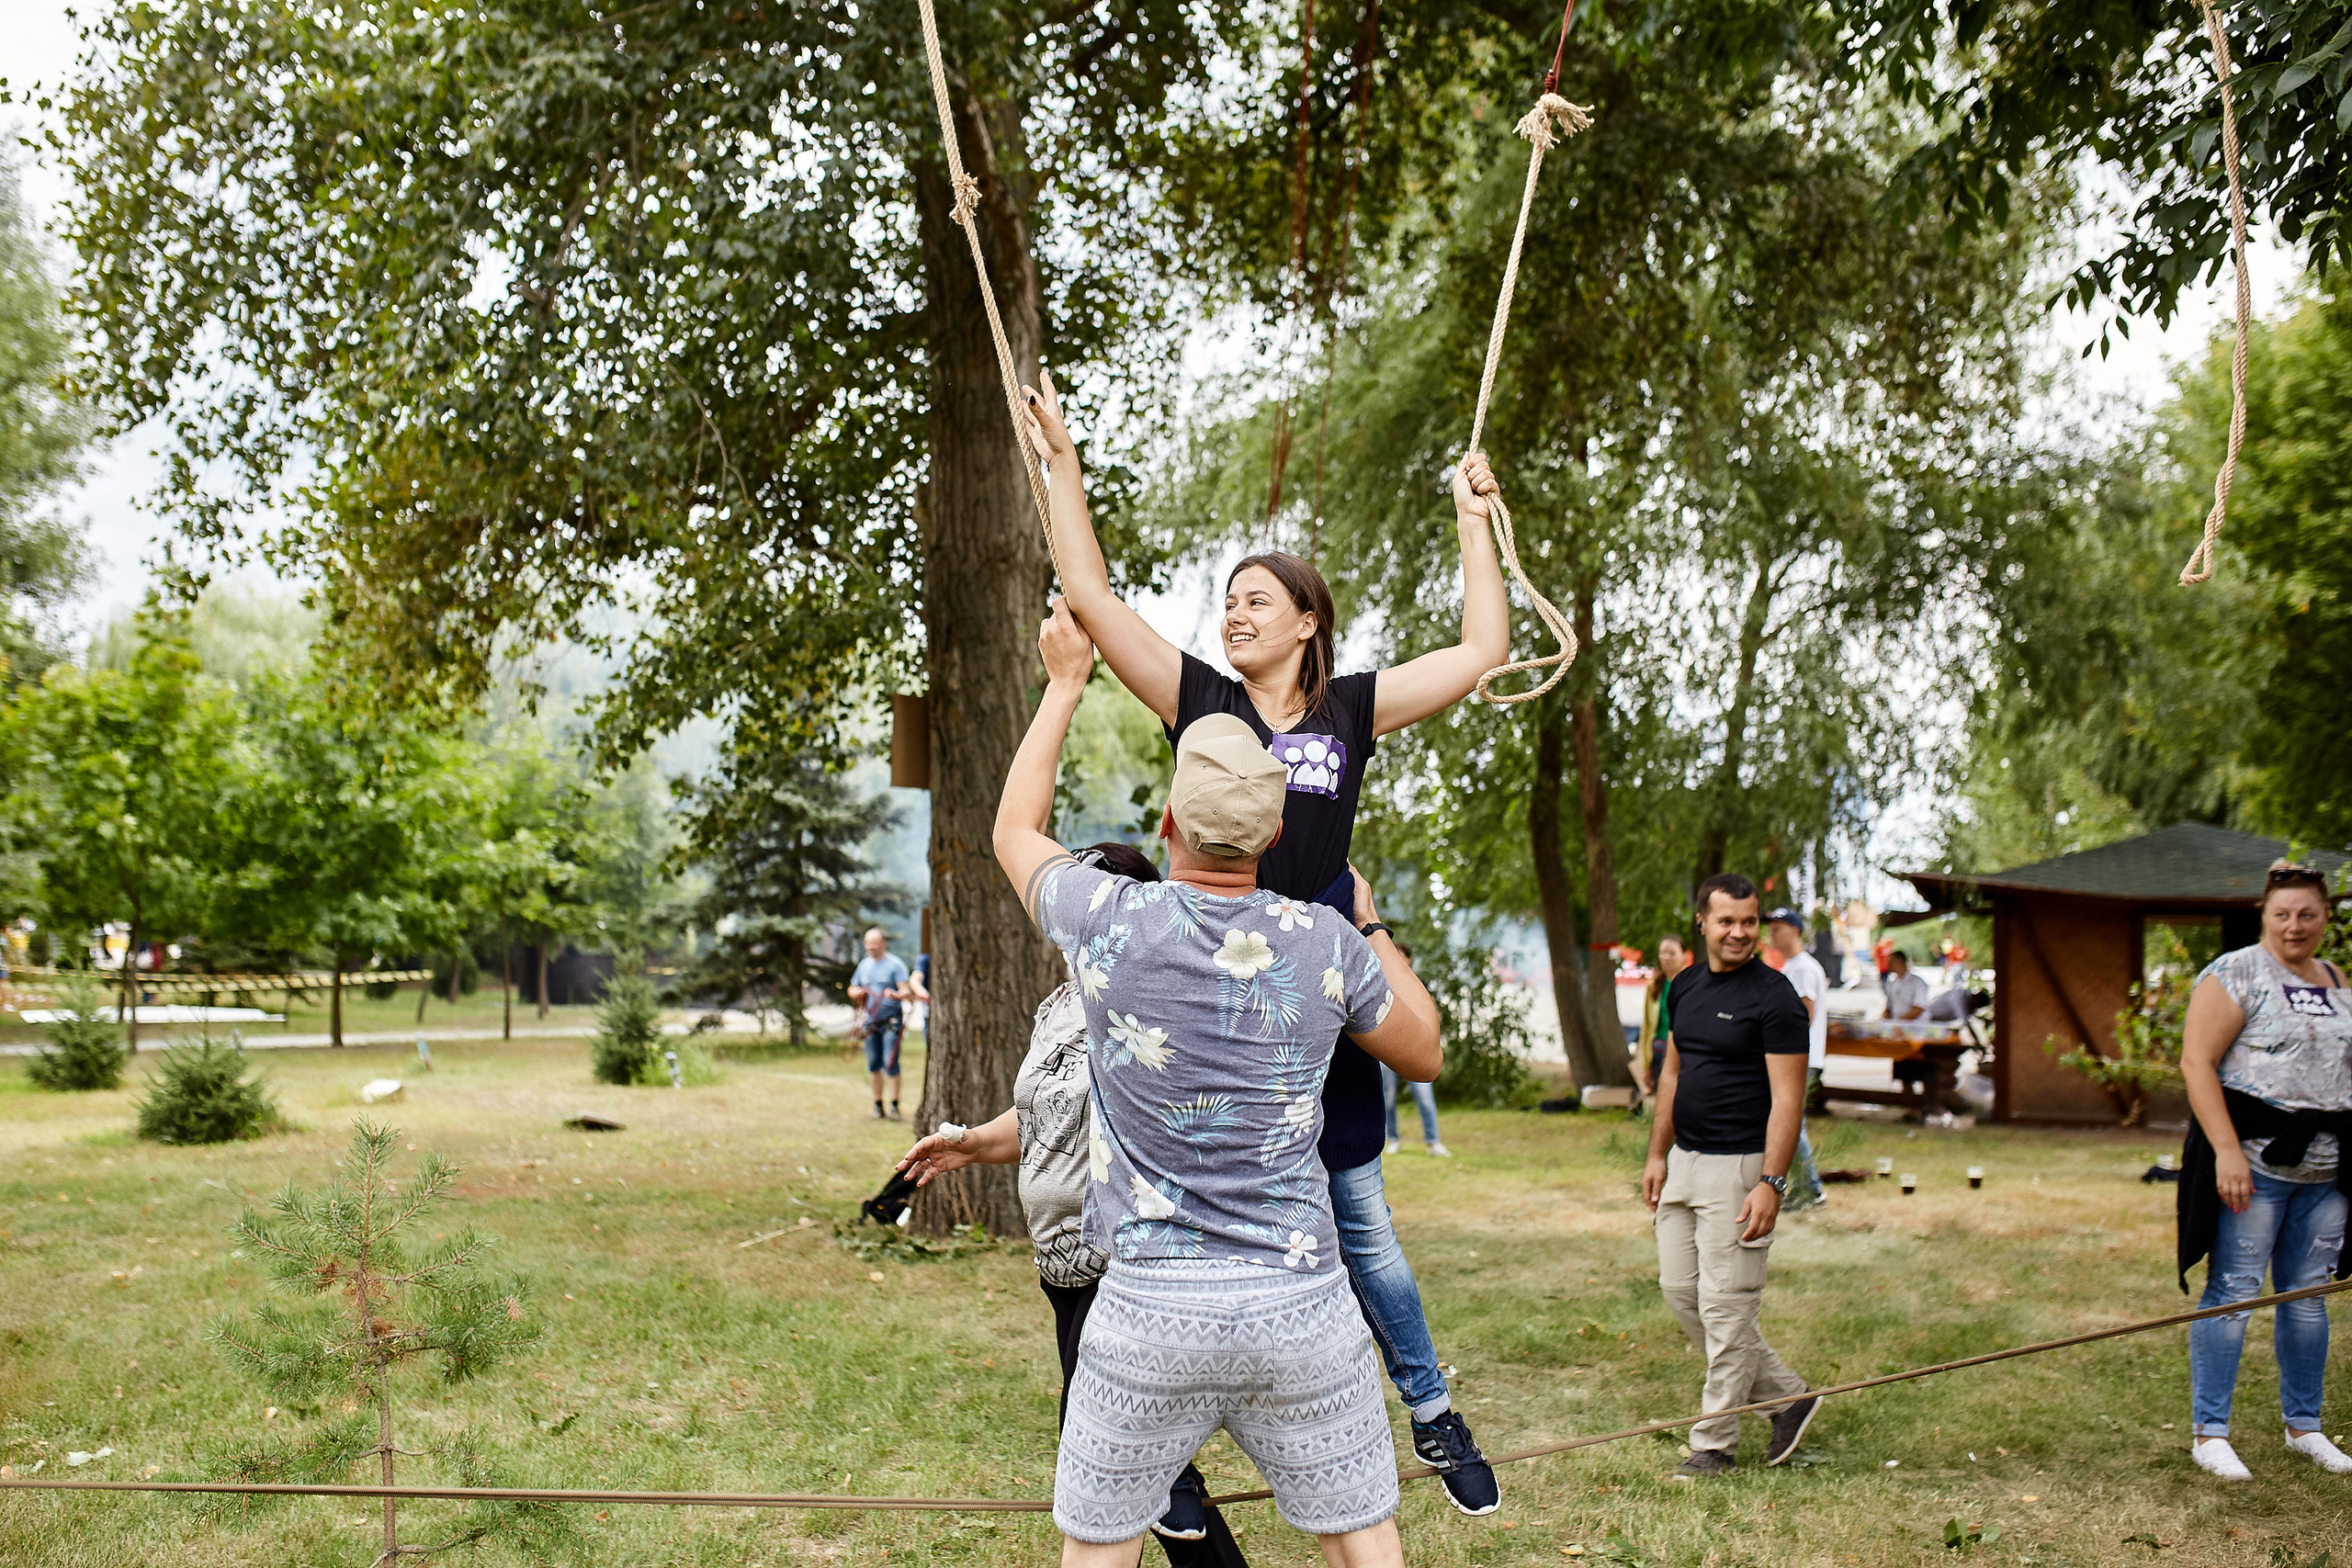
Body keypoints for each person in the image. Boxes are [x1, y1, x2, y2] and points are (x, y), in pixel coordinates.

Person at [1022, 370, 1507, 1513]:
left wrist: (1470, 516)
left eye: (1257, 599)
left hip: (1320, 986)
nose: (1233, 613)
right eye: (1225, 599)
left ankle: (1431, 1412)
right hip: (1210, 987)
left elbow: (1483, 647)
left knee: (1360, 1216)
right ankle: (1164, 1447)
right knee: (1192, 1207)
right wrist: (1065, 465)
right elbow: (1086, 593)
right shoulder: (1197, 699)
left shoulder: (1350, 711)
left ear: (1306, 622)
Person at [988, 601, 1444, 1567]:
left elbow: (1013, 829)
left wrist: (1065, 682)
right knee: (1366, 1544)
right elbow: (1425, 1053)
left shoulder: (1108, 919)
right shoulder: (1321, 942)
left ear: (1167, 821)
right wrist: (1367, 925)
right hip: (1301, 1304)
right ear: (1276, 827)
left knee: (1097, 1551)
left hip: (1148, 1308)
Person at [895, 840, 1251, 1566]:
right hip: (1059, 1264)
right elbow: (1040, 1116)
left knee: (1108, 1454)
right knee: (1137, 1471)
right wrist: (966, 1141)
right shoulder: (1057, 1004)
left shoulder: (1150, 996)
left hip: (1119, 1256)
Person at [2175, 860, 2352, 1483]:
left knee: (2308, 1299)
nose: (2294, 925)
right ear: (2264, 916)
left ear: (2326, 916)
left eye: (2307, 913)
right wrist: (2224, 1149)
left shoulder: (2336, 979)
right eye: (2283, 913)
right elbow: (2197, 1062)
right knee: (2234, 1292)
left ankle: (2305, 1426)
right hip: (2252, 1166)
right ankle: (2210, 1432)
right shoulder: (2235, 973)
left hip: (2326, 1173)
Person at [1644, 873, 1820, 1478]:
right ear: (1703, 922)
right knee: (1681, 1291)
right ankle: (1789, 1397)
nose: (1741, 931)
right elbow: (1673, 1073)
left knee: (1727, 1304)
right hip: (1686, 1161)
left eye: (1750, 920)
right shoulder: (1684, 986)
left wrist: (1771, 1181)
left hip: (1742, 1166)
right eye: (1727, 920)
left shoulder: (1776, 999)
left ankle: (1714, 1442)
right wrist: (1656, 1154)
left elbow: (1788, 1099)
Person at [1766, 909, 1828, 1212]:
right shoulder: (1792, 966)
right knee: (1787, 1121)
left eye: (1777, 928)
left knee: (1790, 1123)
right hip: (1794, 1056)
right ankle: (1803, 1187)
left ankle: (1810, 1189)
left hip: (1798, 1056)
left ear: (1794, 930)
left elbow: (1803, 1015)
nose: (1771, 934)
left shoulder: (1803, 968)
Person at [1383, 943, 1450, 1156]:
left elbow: (1432, 1014)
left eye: (1402, 956)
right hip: (1386, 1049)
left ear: (1410, 960)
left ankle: (1433, 1142)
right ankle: (1392, 1139)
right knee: (1388, 1097)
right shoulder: (1381, 982)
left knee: (1424, 1095)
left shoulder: (1420, 985)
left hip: (1414, 1049)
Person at [848, 928, 912, 1120]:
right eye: (867, 943)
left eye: (874, 943)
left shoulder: (895, 965)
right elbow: (852, 987)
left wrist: (895, 994)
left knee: (890, 1062)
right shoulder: (864, 966)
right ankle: (878, 1105)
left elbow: (906, 991)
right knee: (873, 1063)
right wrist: (856, 993)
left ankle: (894, 1105)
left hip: (891, 1021)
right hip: (870, 1022)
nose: (870, 947)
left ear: (884, 943)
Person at [1634, 934, 1691, 1105]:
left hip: (1683, 1053)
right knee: (1663, 1099)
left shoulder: (1692, 984)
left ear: (1684, 956)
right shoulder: (1654, 986)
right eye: (1663, 953)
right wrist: (1645, 1064)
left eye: (1672, 953)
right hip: (1659, 1050)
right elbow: (1646, 1027)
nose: (1666, 957)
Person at [1881, 951, 1929, 1021]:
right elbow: (1889, 1008)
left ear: (1899, 962)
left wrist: (1899, 1022)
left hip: (1915, 1025)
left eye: (1890, 962)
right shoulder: (1892, 984)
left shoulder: (1917, 982)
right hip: (1897, 1027)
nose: (1888, 965)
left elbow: (1919, 1008)